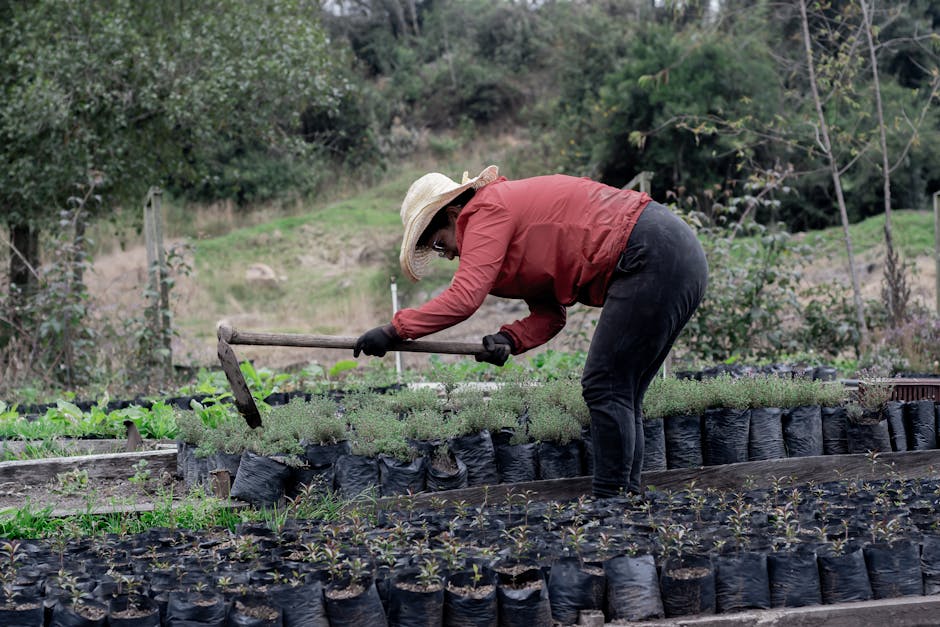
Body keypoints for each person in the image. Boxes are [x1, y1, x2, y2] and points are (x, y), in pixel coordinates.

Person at [353, 165, 707, 497]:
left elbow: (463, 299)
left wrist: (395, 330)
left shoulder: (486, 211)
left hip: (650, 250)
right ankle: (625, 500)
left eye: (442, 244)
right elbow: (551, 314)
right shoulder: (503, 233)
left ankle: (612, 504)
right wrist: (510, 338)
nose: (448, 256)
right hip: (670, 252)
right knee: (621, 393)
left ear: (451, 214)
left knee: (605, 385)